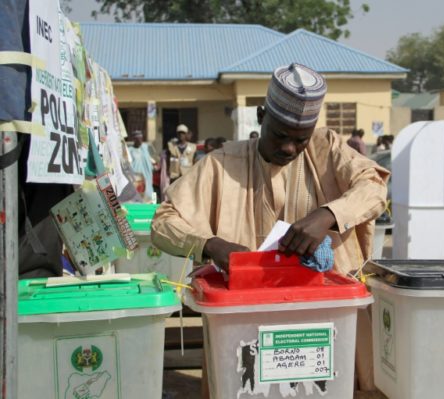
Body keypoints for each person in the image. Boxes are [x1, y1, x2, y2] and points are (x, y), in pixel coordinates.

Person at [151, 63, 389, 393]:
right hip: (244, 325)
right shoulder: (222, 164)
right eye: (280, 135)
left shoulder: (327, 149)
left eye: (300, 140)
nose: (289, 148)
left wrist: (327, 214)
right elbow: (163, 222)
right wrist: (211, 245)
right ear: (262, 116)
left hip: (322, 319)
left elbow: (374, 187)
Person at [128, 130, 155, 202]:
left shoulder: (145, 148)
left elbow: (151, 160)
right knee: (138, 195)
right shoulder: (130, 150)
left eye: (141, 138)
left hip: (147, 176)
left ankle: (153, 206)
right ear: (134, 139)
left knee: (150, 193)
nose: (140, 140)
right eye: (137, 139)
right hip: (137, 177)